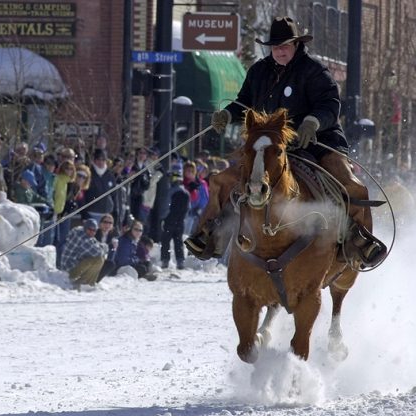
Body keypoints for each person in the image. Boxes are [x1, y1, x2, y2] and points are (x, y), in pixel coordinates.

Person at [184, 16, 386, 268]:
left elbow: (330, 104)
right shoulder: (258, 71)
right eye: (275, 46)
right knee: (221, 180)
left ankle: (358, 238)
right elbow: (244, 103)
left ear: (296, 45)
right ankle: (211, 232)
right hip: (270, 146)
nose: (279, 51)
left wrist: (313, 121)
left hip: (316, 142)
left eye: (285, 46)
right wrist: (228, 114)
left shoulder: (314, 71)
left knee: (350, 185)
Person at [60, 218, 108, 289]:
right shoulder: (83, 238)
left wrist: (102, 247)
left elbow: (95, 243)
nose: (92, 232)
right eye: (90, 229)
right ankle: (84, 283)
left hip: (69, 264)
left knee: (101, 259)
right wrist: (105, 247)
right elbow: (99, 252)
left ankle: (86, 282)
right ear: (85, 227)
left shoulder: (80, 230)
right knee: (99, 260)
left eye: (94, 230)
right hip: (69, 269)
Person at [160, 166, 190, 270]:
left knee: (165, 241)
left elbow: (166, 206)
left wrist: (162, 217)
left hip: (169, 220)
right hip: (180, 221)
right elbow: (188, 208)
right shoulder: (186, 193)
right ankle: (180, 261)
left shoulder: (171, 191)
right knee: (178, 242)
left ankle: (165, 260)